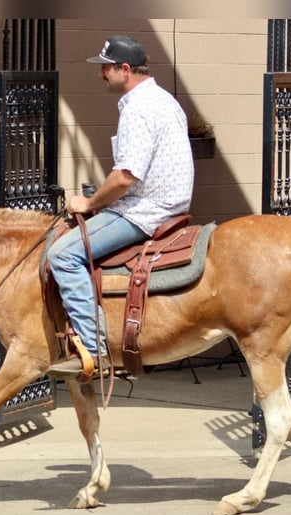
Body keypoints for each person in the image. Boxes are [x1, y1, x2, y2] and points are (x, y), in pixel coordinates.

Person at [48, 34, 195, 376]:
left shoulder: (138, 108)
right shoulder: (164, 100)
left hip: (145, 209)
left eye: (106, 68)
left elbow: (125, 176)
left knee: (63, 255)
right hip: (167, 202)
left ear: (125, 69)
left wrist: (88, 201)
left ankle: (93, 351)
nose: (102, 75)